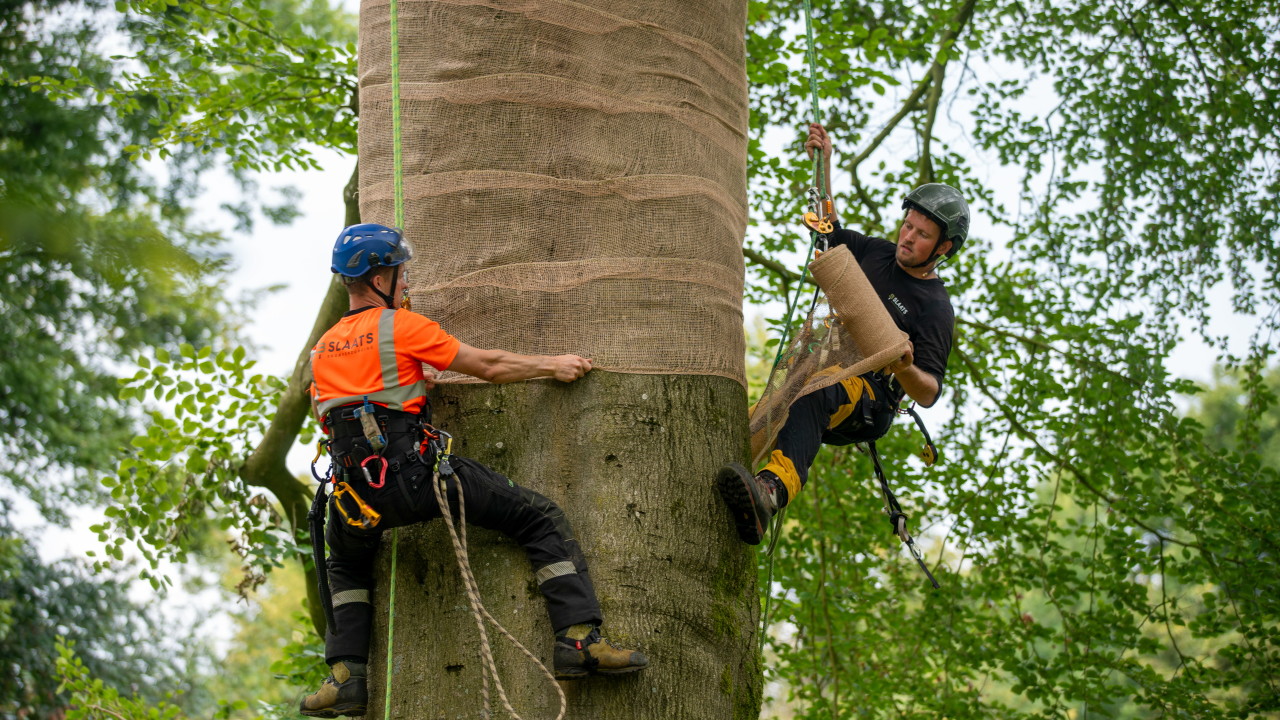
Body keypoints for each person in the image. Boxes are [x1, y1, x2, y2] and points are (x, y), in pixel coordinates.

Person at [301, 223, 647, 718]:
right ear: (381, 278)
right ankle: (578, 641)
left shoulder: (322, 350)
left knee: (345, 565)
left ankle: (346, 677)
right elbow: (488, 365)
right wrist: (553, 365)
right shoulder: (401, 326)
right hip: (417, 479)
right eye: (402, 273)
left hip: (354, 497)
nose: (406, 281)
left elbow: (343, 410)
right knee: (538, 518)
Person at [718, 123, 965, 545]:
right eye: (908, 226)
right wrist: (823, 164)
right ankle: (740, 491)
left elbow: (928, 392)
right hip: (822, 372)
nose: (908, 237)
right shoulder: (875, 253)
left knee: (819, 392)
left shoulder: (934, 307)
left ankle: (771, 491)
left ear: (943, 248)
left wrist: (904, 367)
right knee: (765, 415)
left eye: (922, 235)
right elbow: (826, 231)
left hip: (870, 398)